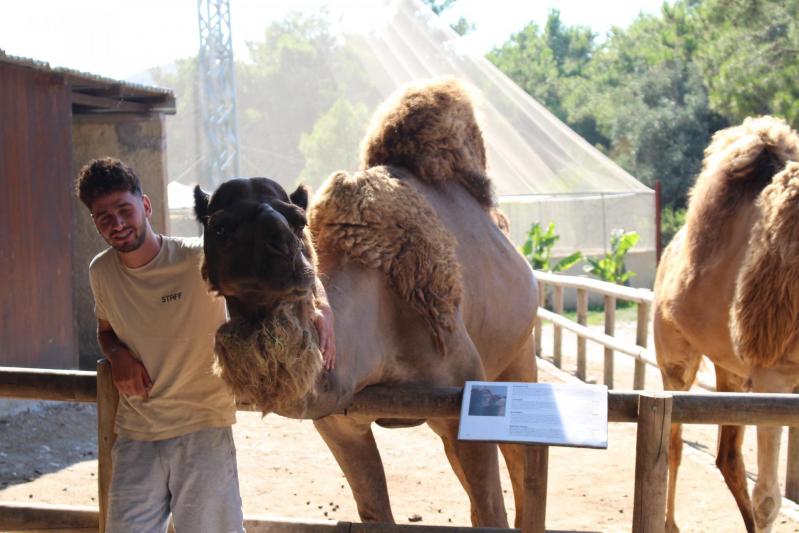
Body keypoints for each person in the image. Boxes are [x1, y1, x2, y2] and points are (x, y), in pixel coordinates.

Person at [76, 157, 335, 532]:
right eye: (104, 217)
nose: (117, 223)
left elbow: (288, 257)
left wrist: (322, 305)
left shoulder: (198, 258)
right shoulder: (101, 271)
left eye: (123, 209)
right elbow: (106, 331)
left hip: (203, 430)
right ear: (95, 222)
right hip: (136, 434)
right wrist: (116, 354)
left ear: (145, 206)